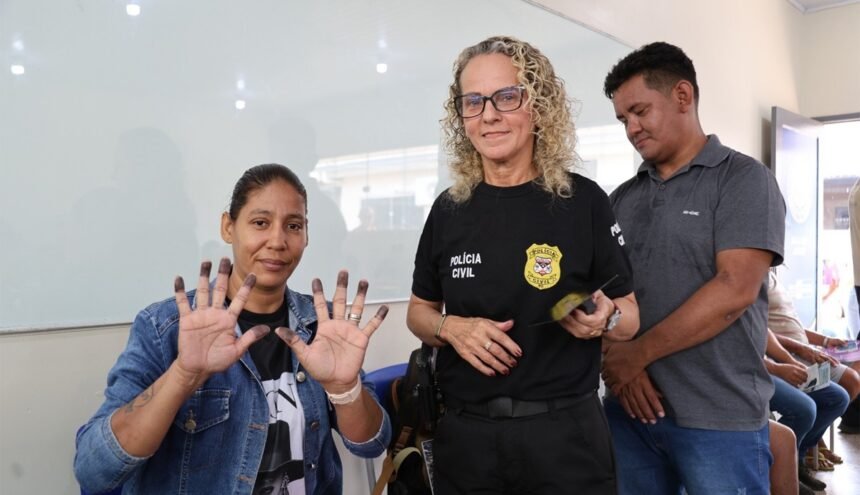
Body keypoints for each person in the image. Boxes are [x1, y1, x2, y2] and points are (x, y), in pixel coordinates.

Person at [406, 36, 639, 494]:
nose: (488, 114)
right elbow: (419, 312)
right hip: (467, 442)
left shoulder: (583, 201)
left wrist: (604, 317)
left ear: (538, 105)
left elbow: (629, 316)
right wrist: (452, 328)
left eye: (506, 97)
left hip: (564, 439)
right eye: (473, 102)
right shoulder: (449, 209)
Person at [74, 164, 391, 495]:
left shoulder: (321, 325)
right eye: (260, 223)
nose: (278, 240)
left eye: (293, 226)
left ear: (306, 235)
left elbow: (371, 444)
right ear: (228, 227)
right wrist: (183, 375)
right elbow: (94, 470)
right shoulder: (165, 328)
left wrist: (344, 389)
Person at [600, 42, 786, 494]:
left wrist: (637, 355)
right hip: (630, 412)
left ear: (683, 96)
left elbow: (734, 290)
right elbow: (601, 298)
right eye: (624, 119)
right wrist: (622, 369)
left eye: (640, 111)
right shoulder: (620, 198)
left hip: (719, 421)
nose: (632, 128)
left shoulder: (742, 180)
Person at [763, 328, 849, 492]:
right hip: (755, 370)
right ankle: (779, 469)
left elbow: (764, 332)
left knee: (837, 398)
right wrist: (777, 368)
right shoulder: (733, 304)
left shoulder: (755, 304)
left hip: (783, 357)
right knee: (805, 409)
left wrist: (791, 361)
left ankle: (798, 459)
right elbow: (740, 353)